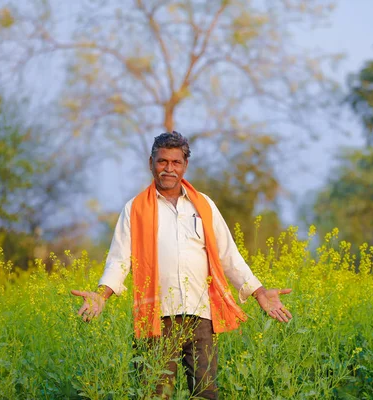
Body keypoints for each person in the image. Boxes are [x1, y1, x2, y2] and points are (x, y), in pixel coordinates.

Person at [71, 131, 292, 399]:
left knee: (205, 394)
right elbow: (119, 260)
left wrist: (259, 293)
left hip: (201, 317)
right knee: (155, 394)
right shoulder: (135, 209)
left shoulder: (204, 205)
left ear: (185, 165)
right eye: (162, 161)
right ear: (151, 162)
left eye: (175, 162)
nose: (168, 168)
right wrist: (102, 294)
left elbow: (228, 255)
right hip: (157, 318)